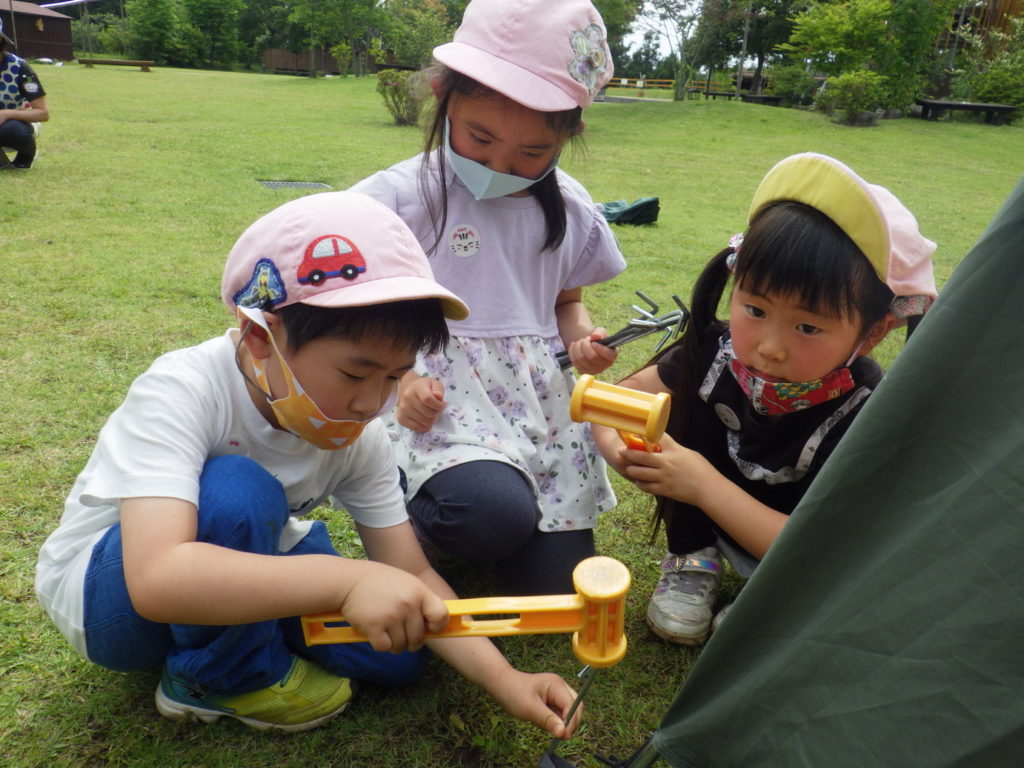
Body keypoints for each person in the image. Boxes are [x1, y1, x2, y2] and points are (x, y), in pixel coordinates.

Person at [35, 191, 584, 737]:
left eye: (395, 377)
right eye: (354, 374)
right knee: (236, 489)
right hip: (112, 604)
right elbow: (157, 577)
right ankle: (216, 678)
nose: (372, 403)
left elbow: (412, 572)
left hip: (250, 557)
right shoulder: (182, 390)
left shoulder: (361, 437)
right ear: (260, 337)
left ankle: (249, 635)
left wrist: (506, 679)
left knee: (401, 647)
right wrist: (348, 581)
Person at [591, 153, 938, 646]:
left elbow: (822, 550)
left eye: (808, 327)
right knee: (688, 409)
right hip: (712, 520)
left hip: (799, 555)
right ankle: (692, 558)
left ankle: (775, 595)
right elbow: (612, 404)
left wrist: (701, 483)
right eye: (755, 309)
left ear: (873, 333)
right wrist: (622, 453)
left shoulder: (864, 409)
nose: (770, 348)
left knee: (809, 576)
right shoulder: (716, 353)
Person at [350, 0, 626, 596]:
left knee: (550, 588)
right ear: (443, 96)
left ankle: (494, 512)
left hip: (538, 408)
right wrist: (402, 381)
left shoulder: (570, 208)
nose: (500, 165)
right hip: (440, 404)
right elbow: (361, 309)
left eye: (532, 153)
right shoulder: (399, 199)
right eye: (480, 137)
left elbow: (566, 303)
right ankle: (407, 509)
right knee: (489, 518)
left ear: (569, 134)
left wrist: (582, 339)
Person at [0, 20, 48, 170]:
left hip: (15, 122)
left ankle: (24, 159)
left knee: (15, 130)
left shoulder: (20, 68)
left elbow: (42, 113)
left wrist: (6, 114)